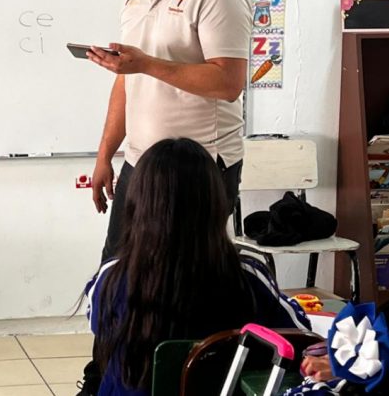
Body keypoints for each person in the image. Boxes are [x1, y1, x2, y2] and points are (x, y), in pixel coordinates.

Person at [78, 0, 251, 392]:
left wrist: (146, 64)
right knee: (118, 273)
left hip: (197, 168)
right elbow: (123, 83)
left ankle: (186, 378)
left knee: (188, 281)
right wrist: (105, 154)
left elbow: (227, 82)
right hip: (140, 164)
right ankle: (103, 377)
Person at [85, 138, 311, 396]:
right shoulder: (247, 278)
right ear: (215, 203)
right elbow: (301, 336)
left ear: (138, 205)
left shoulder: (112, 278)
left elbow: (99, 325)